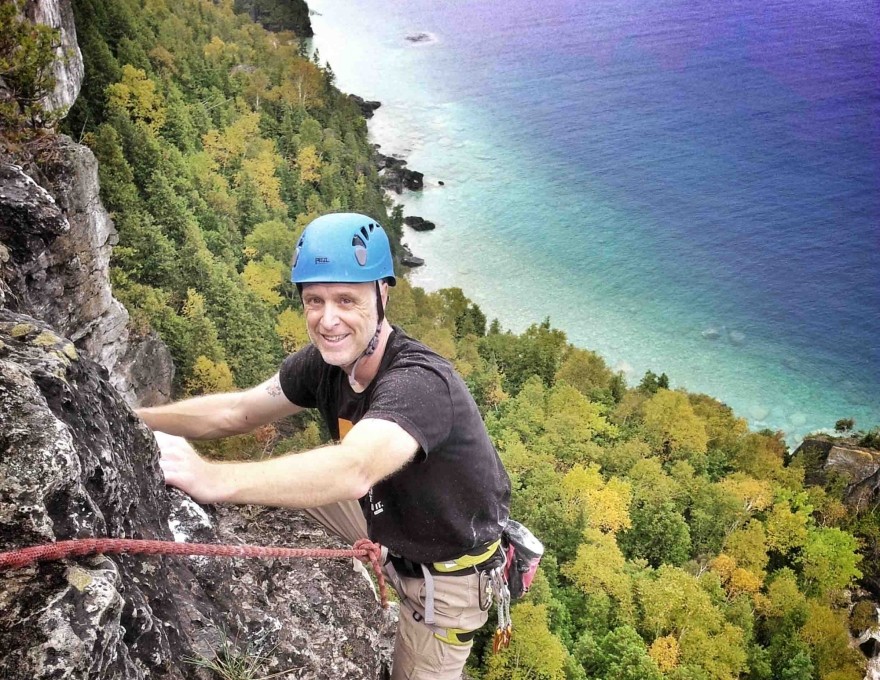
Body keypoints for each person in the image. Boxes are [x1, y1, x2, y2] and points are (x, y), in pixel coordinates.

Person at [137, 212, 512, 680]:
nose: (327, 320)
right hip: (382, 517)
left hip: (444, 578)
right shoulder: (323, 364)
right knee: (279, 491)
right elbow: (235, 413)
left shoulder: (420, 383)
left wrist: (212, 478)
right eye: (314, 300)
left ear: (382, 294)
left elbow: (354, 467)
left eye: (345, 300)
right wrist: (133, 420)